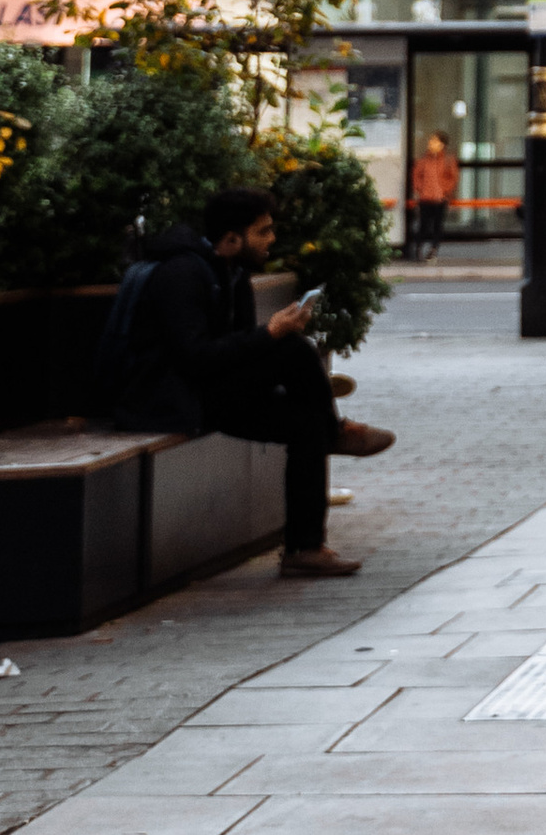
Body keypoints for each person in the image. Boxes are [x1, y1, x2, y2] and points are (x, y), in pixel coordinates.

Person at [102, 185, 395, 581]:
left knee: (305, 420)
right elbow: (196, 357)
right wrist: (269, 334)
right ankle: (336, 431)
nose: (272, 239)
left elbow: (235, 350)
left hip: (210, 388)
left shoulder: (232, 271)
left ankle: (304, 550)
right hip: (171, 397)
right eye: (263, 231)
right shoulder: (181, 274)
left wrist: (270, 337)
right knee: (292, 351)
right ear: (231, 239)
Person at [408, 130, 459, 261]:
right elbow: (416, 175)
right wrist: (420, 189)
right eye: (431, 140)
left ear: (442, 144)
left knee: (437, 225)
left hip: (440, 199)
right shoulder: (424, 159)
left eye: (434, 141)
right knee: (423, 225)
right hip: (425, 198)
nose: (430, 143)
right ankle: (419, 248)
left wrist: (444, 191)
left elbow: (453, 178)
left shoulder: (448, 160)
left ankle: (433, 249)